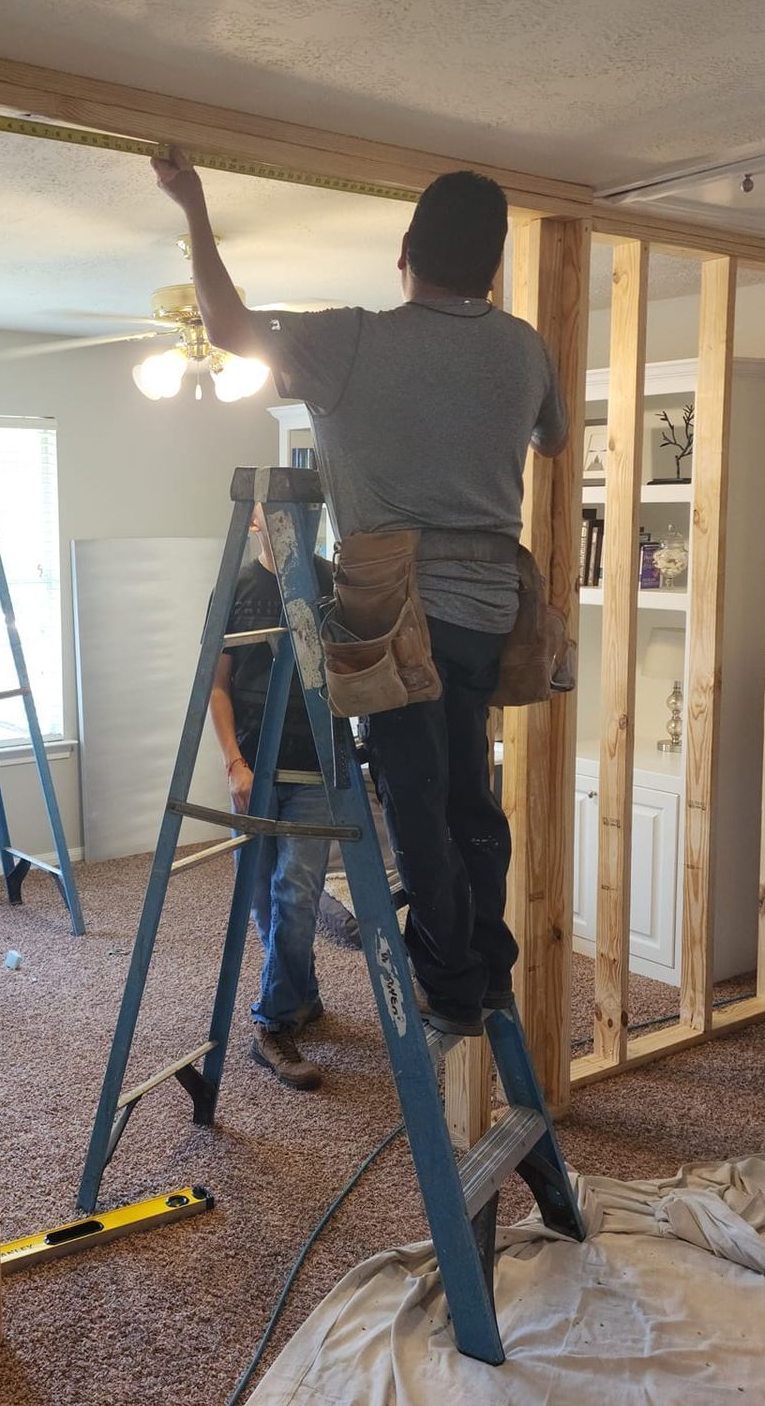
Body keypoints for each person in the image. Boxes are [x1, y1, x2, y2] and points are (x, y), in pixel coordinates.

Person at [154, 149, 569, 1037]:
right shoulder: (525, 345)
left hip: (397, 610)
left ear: (404, 254)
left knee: (418, 795)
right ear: (492, 265)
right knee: (467, 785)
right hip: (492, 607)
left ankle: (452, 980)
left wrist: (193, 203)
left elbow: (225, 322)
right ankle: (484, 961)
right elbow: (556, 438)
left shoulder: (353, 338)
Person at [208, 506, 339, 1089]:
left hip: (314, 765)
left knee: (296, 892)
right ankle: (301, 993)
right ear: (257, 523)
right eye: (274, 517)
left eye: (299, 518)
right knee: (261, 895)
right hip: (254, 769)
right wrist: (234, 762)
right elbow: (217, 683)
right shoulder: (235, 587)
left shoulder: (331, 584)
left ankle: (273, 1023)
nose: (287, 527)